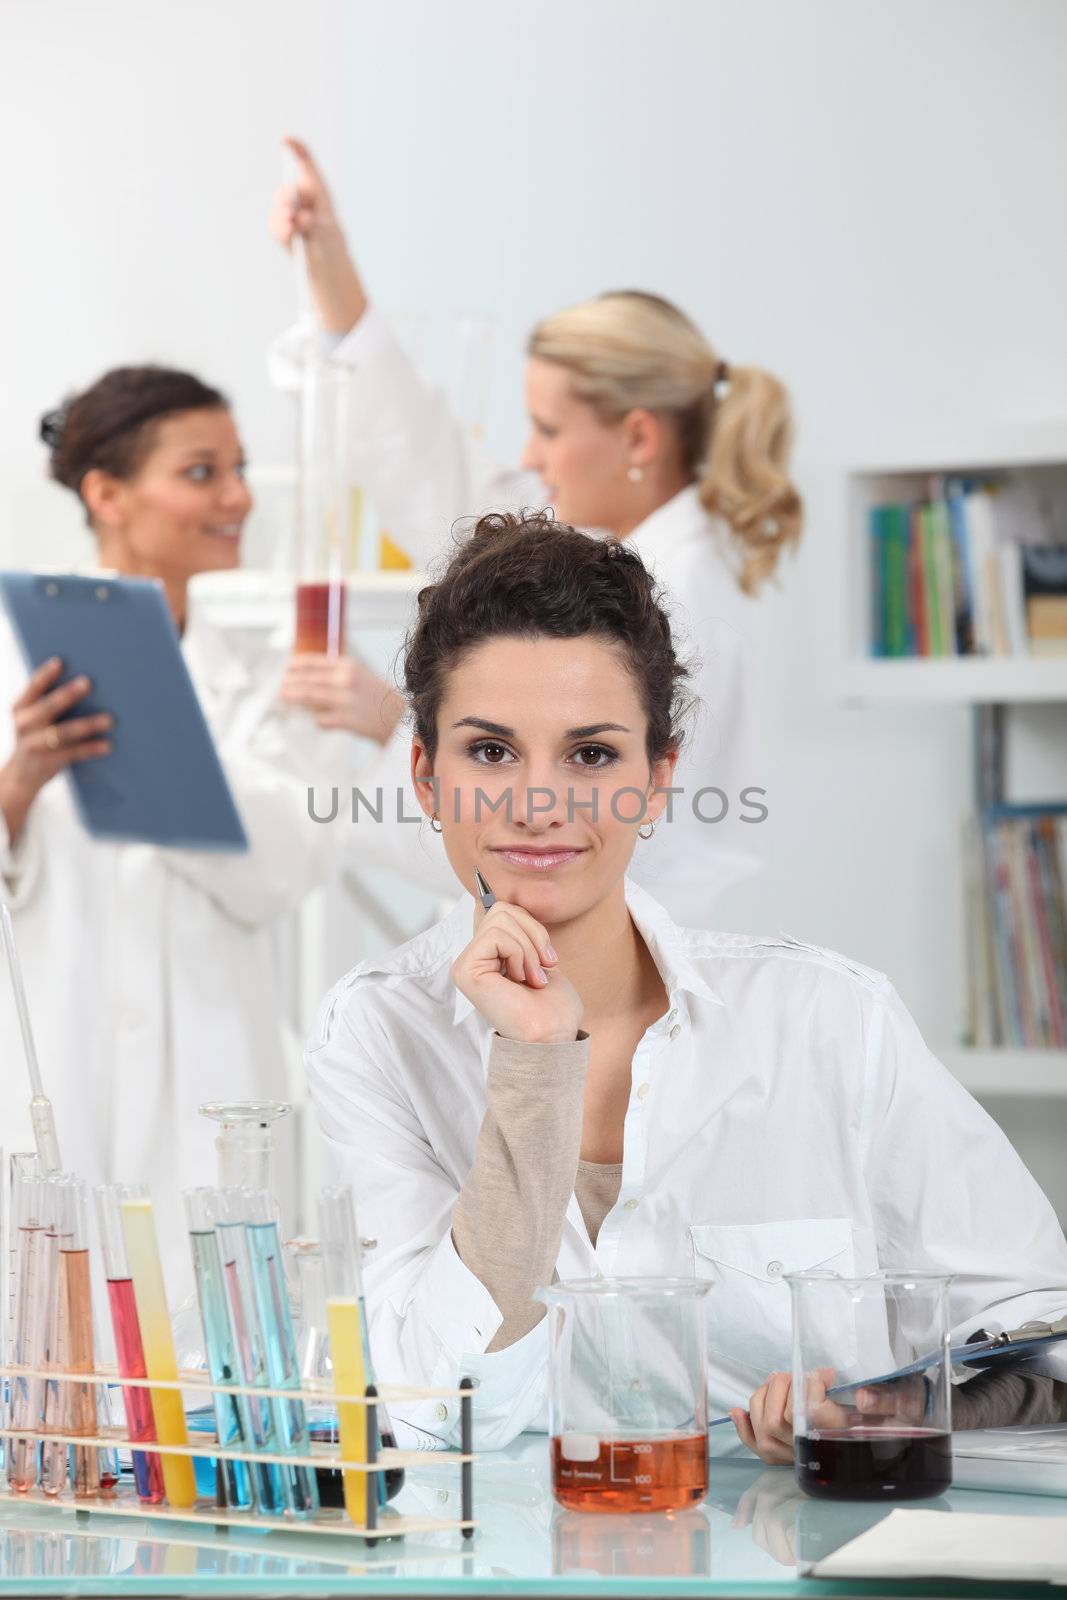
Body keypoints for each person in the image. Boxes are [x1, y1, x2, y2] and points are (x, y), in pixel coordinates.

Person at [306, 511, 1067, 1460]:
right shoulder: (375, 1033)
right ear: (425, 775)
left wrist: (887, 1409)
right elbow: (430, 1404)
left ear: (657, 778)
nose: (539, 803)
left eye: (590, 755)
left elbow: (1045, 1342)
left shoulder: (827, 1022)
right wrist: (533, 1067)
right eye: (490, 751)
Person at [270, 138, 803, 925]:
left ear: (639, 439)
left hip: (610, 960)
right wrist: (333, 276)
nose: (528, 456)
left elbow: (567, 815)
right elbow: (440, 478)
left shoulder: (675, 598)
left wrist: (401, 718)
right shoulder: (615, 554)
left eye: (548, 430)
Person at [0, 366, 346, 1265]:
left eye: (239, 469)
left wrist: (155, 747)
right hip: (51, 1072)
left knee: (206, 1336)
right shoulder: (13, 669)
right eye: (202, 473)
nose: (236, 497)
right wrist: (21, 780)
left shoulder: (274, 675)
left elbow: (291, 869)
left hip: (212, 1083)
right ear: (107, 493)